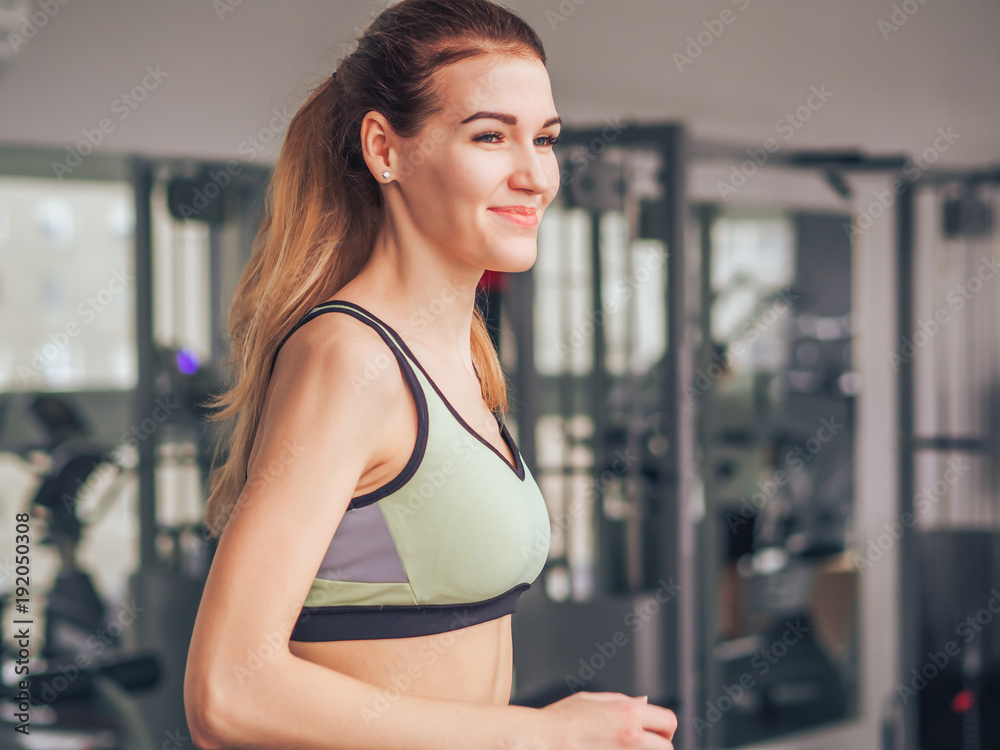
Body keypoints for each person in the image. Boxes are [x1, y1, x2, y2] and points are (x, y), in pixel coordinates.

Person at [182, 1, 678, 748]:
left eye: (544, 140)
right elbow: (227, 691)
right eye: (490, 136)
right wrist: (542, 737)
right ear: (385, 149)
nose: (535, 175)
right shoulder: (352, 358)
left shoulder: (462, 358)